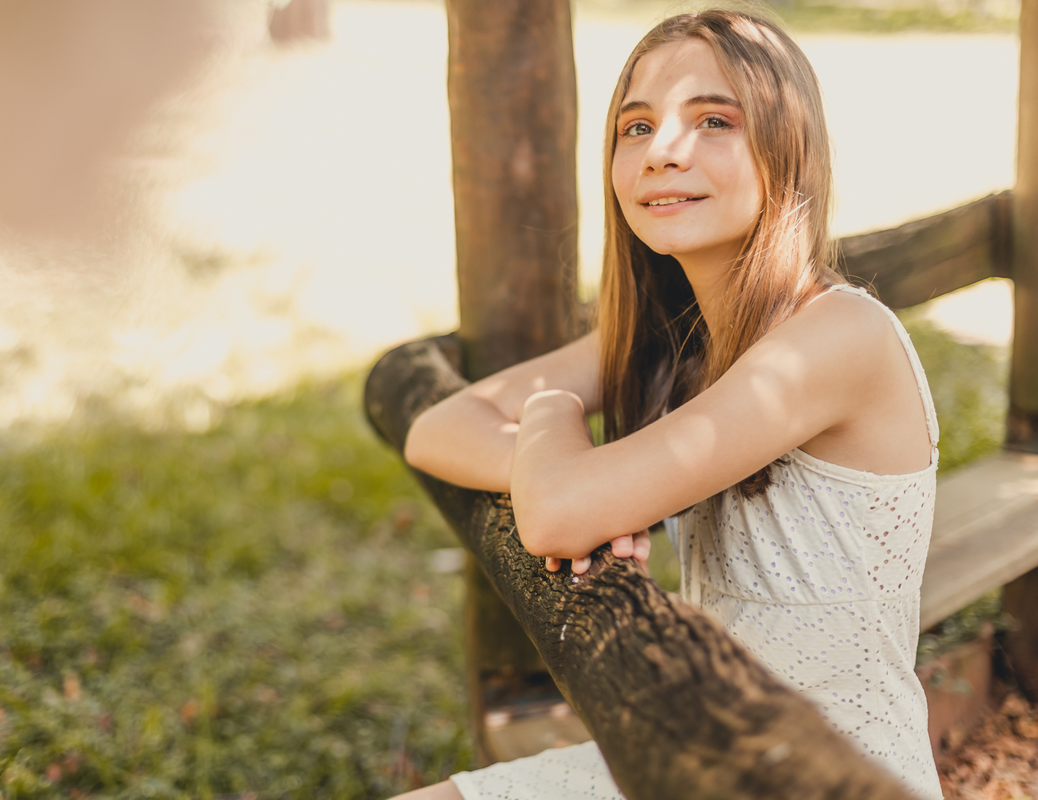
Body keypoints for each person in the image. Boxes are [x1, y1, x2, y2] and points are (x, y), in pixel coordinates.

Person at [396, 8, 944, 800]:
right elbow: (438, 429)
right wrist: (569, 479)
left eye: (713, 119)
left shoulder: (838, 337)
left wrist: (552, 422)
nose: (664, 152)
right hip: (704, 747)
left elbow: (554, 515)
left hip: (830, 774)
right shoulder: (680, 338)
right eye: (637, 126)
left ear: (788, 150)